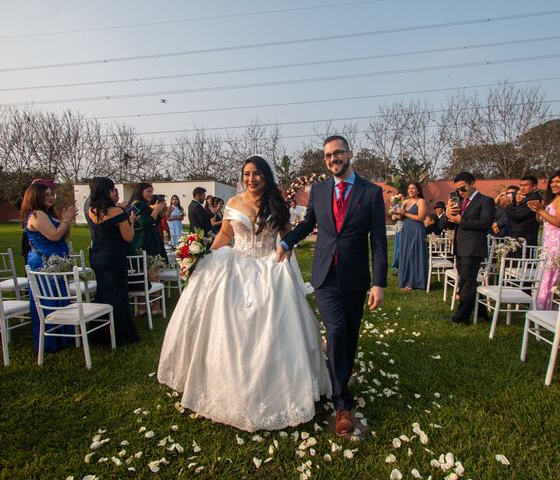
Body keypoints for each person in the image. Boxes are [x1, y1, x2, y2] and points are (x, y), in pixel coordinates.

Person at [158, 155, 331, 432]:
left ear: (266, 175)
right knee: (229, 328)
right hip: (234, 268)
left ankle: (279, 384)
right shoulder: (233, 203)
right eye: (247, 174)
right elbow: (225, 235)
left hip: (269, 268)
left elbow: (288, 234)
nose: (252, 179)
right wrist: (202, 257)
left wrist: (286, 247)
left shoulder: (277, 203)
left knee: (274, 328)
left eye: (257, 173)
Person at [277, 135, 387, 436]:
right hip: (325, 275)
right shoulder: (320, 190)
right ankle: (342, 404)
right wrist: (286, 242)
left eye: (337, 153)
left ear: (349, 154)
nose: (332, 159)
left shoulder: (372, 193)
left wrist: (379, 283)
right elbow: (307, 223)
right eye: (327, 155)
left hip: (355, 278)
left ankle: (338, 374)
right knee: (336, 330)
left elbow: (378, 241)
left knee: (349, 335)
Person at [21, 182, 78, 352]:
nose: (50, 197)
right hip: (43, 264)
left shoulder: (46, 214)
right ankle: (51, 340)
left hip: (54, 263)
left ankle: (62, 336)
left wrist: (64, 222)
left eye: (51, 194)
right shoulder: (36, 214)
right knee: (49, 298)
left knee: (58, 296)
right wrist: (66, 220)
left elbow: (63, 233)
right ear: (35, 196)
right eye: (45, 194)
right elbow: (54, 236)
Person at [86, 177, 139, 346]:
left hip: (97, 254)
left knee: (103, 293)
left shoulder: (92, 211)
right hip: (113, 256)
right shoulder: (116, 211)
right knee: (118, 294)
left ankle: (100, 333)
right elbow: (128, 237)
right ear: (108, 191)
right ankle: (120, 334)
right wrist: (130, 220)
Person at [443, 172, 495, 324]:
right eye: (458, 190)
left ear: (473, 183)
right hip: (460, 247)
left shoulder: (486, 201)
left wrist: (461, 220)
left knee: (467, 283)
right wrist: (449, 214)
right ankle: (481, 313)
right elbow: (447, 225)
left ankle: (462, 317)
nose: (461, 192)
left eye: (463, 188)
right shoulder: (460, 203)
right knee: (468, 281)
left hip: (473, 248)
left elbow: (485, 224)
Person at [528, 169, 560, 310]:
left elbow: (559, 222)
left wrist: (541, 210)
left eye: (558, 182)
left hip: (559, 243)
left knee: (555, 277)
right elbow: (544, 220)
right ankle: (544, 308)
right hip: (549, 242)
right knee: (547, 274)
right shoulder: (555, 199)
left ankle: (556, 309)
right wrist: (539, 211)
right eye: (552, 182)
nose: (553, 185)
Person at [395, 182, 428, 290]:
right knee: (405, 254)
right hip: (405, 230)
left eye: (413, 188)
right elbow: (401, 218)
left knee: (414, 254)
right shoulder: (404, 201)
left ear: (418, 191)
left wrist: (405, 213)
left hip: (417, 230)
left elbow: (421, 217)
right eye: (409, 188)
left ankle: (414, 282)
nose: (410, 190)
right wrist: (398, 212)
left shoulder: (421, 201)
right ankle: (405, 280)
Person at [128, 183, 168, 262]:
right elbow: (145, 224)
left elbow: (153, 223)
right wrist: (156, 211)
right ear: (140, 192)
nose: (151, 194)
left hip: (150, 239)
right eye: (148, 192)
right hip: (144, 241)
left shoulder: (145, 205)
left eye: (151, 192)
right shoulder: (138, 204)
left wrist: (161, 213)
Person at [505, 175, 542, 249]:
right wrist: (516, 204)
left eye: (526, 185)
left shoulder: (533, 199)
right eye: (521, 185)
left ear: (534, 186)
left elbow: (517, 216)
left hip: (524, 239)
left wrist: (508, 205)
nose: (522, 188)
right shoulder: (526, 198)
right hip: (518, 239)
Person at [389, 192, 404, 273]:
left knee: (402, 246)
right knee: (397, 246)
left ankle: (402, 264)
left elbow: (402, 216)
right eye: (399, 197)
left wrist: (398, 216)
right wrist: (395, 215)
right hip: (398, 227)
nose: (400, 198)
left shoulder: (406, 205)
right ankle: (397, 264)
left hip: (405, 226)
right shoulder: (395, 206)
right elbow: (393, 218)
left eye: (402, 196)